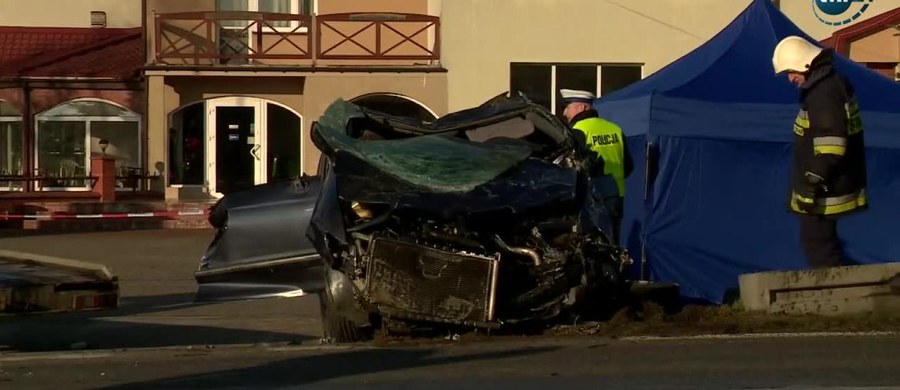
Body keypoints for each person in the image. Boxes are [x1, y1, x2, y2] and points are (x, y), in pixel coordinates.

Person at [772, 35, 868, 269]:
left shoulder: (824, 94)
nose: (790, 78)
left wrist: (810, 183)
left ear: (805, 64)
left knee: (820, 249)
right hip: (828, 184)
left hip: (824, 188)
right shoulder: (828, 86)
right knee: (821, 244)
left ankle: (835, 298)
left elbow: (831, 145)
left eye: (791, 71)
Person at [560, 88, 633, 242]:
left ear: (581, 108)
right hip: (616, 196)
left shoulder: (577, 131)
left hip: (591, 199)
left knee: (591, 248)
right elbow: (628, 166)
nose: (565, 113)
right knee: (613, 246)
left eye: (568, 107)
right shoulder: (615, 129)